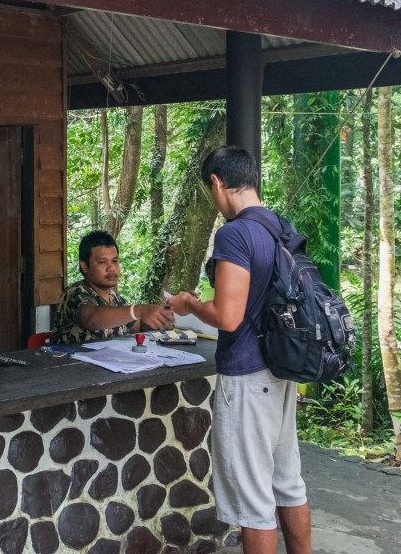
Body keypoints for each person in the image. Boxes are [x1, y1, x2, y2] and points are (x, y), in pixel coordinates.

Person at [167, 146, 311, 554]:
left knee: (253, 502)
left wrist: (188, 305)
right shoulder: (280, 227)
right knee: (288, 483)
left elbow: (227, 317)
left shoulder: (234, 233)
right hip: (281, 372)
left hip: (247, 377)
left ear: (216, 182)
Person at [51, 230, 175, 345]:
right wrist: (138, 310)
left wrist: (164, 317)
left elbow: (138, 327)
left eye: (115, 261)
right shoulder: (75, 293)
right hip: (72, 367)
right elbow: (92, 319)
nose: (111, 268)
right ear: (84, 266)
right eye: (102, 262)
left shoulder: (116, 299)